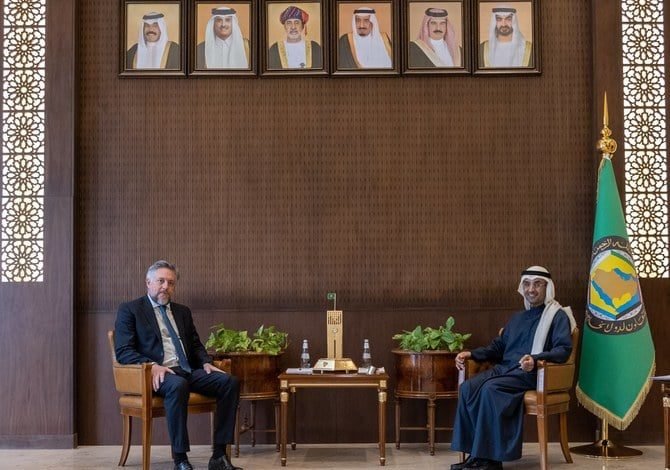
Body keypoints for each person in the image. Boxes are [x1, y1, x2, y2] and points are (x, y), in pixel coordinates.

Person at [115, 260, 242, 470]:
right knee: (177, 385)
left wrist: (206, 362)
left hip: (187, 370)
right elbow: (123, 351)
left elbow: (195, 344)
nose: (166, 286)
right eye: (161, 281)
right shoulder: (131, 310)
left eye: (171, 283)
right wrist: (151, 365)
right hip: (157, 374)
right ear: (148, 282)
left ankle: (219, 456)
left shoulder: (182, 311)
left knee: (229, 382)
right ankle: (181, 459)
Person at [450, 266, 575, 470]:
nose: (531, 289)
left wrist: (535, 359)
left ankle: (491, 460)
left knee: (491, 389)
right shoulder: (517, 318)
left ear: (547, 287)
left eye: (537, 284)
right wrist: (471, 354)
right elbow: (498, 347)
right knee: (467, 388)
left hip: (531, 373)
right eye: (527, 284)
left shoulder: (557, 316)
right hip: (505, 370)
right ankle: (475, 455)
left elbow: (563, 350)